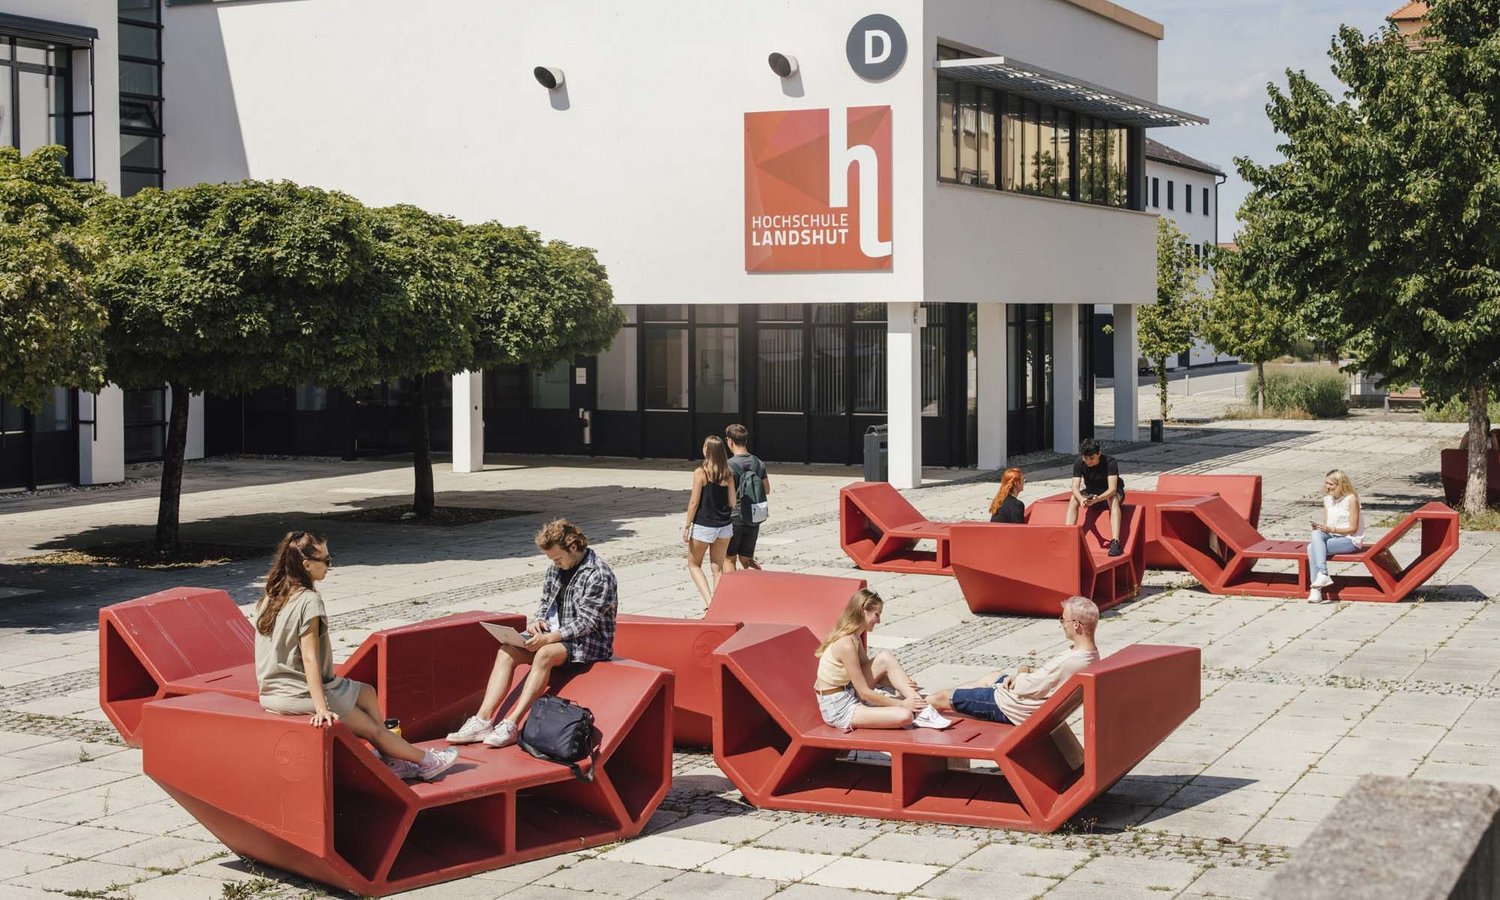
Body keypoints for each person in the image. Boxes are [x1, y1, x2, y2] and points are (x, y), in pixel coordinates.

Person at [255, 531, 457, 780]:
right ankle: (427, 762)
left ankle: (394, 760)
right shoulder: (309, 601)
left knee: (367, 692)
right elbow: (310, 658)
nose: (329, 566)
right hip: (298, 692)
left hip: (272, 691)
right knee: (372, 729)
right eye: (326, 561)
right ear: (306, 564)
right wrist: (322, 708)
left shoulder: (272, 595)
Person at [446, 519, 618, 747]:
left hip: (590, 642)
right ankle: (482, 720)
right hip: (556, 635)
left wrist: (549, 638)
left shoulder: (598, 574)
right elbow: (545, 603)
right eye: (552, 560)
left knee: (544, 653)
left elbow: (586, 623)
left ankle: (511, 723)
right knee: (507, 650)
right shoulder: (555, 569)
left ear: (574, 547)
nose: (555, 563)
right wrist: (538, 622)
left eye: (558, 558)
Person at [929, 596, 1101, 725]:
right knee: (993, 676)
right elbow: (1046, 680)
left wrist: (1021, 673)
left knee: (941, 697)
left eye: (1063, 619)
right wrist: (1025, 674)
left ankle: (910, 706)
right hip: (1025, 703)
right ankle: (957, 696)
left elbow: (1023, 687)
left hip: (1011, 707)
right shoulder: (1090, 656)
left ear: (1076, 625)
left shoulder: (1071, 661)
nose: (1062, 623)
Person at [813, 589, 951, 731]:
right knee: (905, 715)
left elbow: (873, 674)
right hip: (838, 706)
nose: (879, 621)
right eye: (877, 615)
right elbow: (864, 692)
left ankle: (923, 711)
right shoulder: (846, 644)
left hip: (850, 691)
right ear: (863, 611)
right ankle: (920, 710)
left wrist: (902, 683)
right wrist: (901, 704)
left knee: (885, 657)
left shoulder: (854, 636)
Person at [682, 435, 737, 603]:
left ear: (707, 450)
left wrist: (687, 525)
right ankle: (719, 604)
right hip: (724, 526)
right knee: (717, 567)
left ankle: (709, 601)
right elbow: (733, 502)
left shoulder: (701, 472)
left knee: (694, 564)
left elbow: (693, 502)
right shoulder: (727, 474)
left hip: (704, 525)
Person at [1307, 469, 1364, 604]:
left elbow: (1353, 528)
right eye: (1327, 483)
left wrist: (1331, 529)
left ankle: (1316, 589)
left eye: (1332, 484)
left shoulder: (1351, 499)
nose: (1328, 487)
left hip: (1349, 540)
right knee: (1315, 535)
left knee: (1311, 548)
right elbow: (1328, 524)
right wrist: (1323, 529)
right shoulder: (1327, 500)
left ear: (1341, 485)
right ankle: (1322, 576)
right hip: (1333, 536)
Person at [1066, 438, 1125, 556]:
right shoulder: (1079, 463)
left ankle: (1115, 542)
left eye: (1092, 458)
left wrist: (1098, 499)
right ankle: (1067, 536)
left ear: (1099, 453)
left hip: (1109, 491)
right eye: (1085, 458)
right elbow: (1074, 488)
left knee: (1112, 499)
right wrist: (1082, 499)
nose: (1088, 461)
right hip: (1091, 491)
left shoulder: (1110, 462)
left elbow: (1112, 489)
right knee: (1073, 498)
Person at [725, 423, 771, 571]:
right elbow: (767, 489)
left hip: (734, 516)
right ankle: (759, 585)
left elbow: (725, 495)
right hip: (754, 516)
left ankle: (732, 592)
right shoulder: (758, 463)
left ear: (730, 441)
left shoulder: (728, 465)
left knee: (729, 559)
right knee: (746, 559)